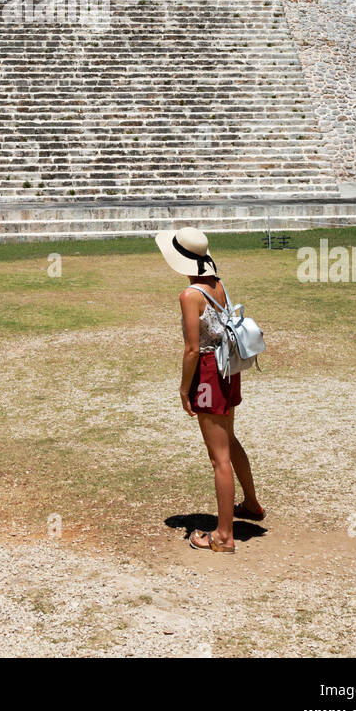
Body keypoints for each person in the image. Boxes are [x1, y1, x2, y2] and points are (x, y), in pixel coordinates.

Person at [155, 226, 265, 553]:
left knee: (218, 458)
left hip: (208, 372)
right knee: (229, 442)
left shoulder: (190, 295)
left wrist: (183, 389)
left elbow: (192, 348)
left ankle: (223, 536)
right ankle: (252, 505)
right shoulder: (218, 285)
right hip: (229, 368)